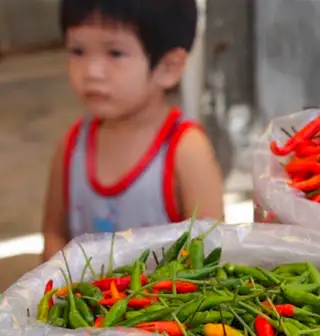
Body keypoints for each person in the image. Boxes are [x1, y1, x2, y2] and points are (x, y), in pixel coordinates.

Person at [42, 0, 224, 261]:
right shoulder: (72, 147)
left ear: (168, 67)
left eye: (115, 53)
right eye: (77, 51)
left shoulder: (185, 150)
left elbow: (210, 252)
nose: (91, 71)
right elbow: (54, 234)